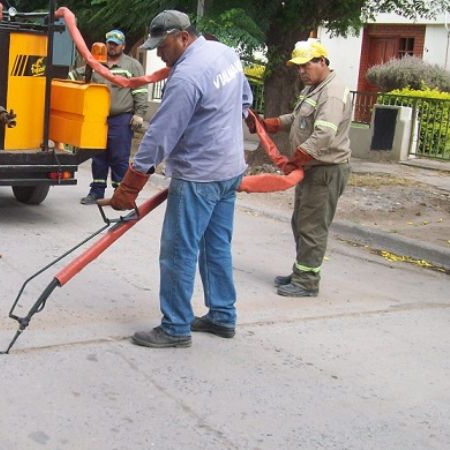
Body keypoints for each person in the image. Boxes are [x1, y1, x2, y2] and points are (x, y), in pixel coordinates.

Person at [107, 10, 252, 348]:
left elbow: (160, 135)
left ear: (184, 37)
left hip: (198, 176)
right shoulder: (224, 53)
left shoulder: (186, 77)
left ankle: (175, 327)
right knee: (216, 245)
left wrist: (130, 185)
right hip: (229, 169)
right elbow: (245, 101)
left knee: (178, 252)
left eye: (163, 46)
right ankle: (222, 315)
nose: (159, 53)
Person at [248, 39, 351, 297]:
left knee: (312, 226)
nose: (302, 71)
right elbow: (296, 119)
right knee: (301, 222)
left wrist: (295, 159)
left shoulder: (332, 92)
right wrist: (268, 124)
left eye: (306, 65)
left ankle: (307, 281)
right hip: (312, 168)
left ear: (322, 62)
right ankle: (302, 271)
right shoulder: (313, 88)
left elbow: (324, 135)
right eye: (299, 67)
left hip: (325, 170)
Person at [74, 29, 148, 205]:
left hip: (121, 118)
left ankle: (119, 194)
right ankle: (96, 192)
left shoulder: (132, 66)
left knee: (119, 158)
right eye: (110, 44)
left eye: (116, 44)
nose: (112, 47)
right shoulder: (96, 63)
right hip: (98, 119)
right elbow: (76, 76)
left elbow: (140, 91)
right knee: (98, 156)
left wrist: (139, 114)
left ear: (123, 46)